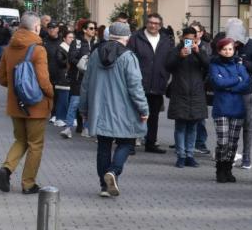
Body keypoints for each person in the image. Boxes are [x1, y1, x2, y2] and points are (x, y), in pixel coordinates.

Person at [80, 22, 149, 198]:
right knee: (126, 142)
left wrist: (84, 107)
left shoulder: (95, 54)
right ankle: (113, 171)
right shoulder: (128, 57)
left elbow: (86, 84)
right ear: (127, 37)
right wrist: (143, 109)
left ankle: (104, 186)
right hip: (124, 111)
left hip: (99, 109)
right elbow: (135, 86)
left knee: (103, 146)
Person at [0, 12, 54, 194]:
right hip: (35, 105)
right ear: (36, 27)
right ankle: (28, 183)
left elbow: (1, 78)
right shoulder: (38, 49)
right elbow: (43, 80)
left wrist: (16, 88)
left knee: (20, 139)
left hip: (15, 104)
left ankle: (6, 168)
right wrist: (52, 94)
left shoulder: (9, 47)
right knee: (35, 144)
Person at [219, 18, 252, 169]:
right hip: (228, 91)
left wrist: (244, 63)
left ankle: (246, 157)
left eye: (236, 43)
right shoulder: (223, 44)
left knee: (247, 126)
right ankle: (229, 155)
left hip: (246, 92)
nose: (234, 45)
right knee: (229, 126)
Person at [127, 13, 175, 153]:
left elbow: (169, 60)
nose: (153, 25)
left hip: (158, 83)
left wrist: (165, 76)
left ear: (160, 25)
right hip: (139, 83)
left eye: (156, 23)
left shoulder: (166, 40)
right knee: (135, 114)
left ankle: (150, 143)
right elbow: (129, 58)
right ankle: (129, 144)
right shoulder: (136, 37)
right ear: (146, 23)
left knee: (153, 116)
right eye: (151, 22)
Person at [165, 27, 209, 168]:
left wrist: (198, 53)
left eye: (192, 39)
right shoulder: (175, 50)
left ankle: (190, 155)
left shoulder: (200, 51)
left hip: (196, 94)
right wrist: (180, 56)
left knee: (193, 127)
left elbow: (208, 66)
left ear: (196, 39)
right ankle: (181, 155)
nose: (189, 41)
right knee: (180, 126)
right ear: (183, 38)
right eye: (187, 39)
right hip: (180, 93)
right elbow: (167, 66)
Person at [209, 37, 250, 183]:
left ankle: (228, 169)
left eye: (230, 49)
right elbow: (217, 82)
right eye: (224, 49)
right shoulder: (214, 65)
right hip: (221, 108)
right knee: (223, 141)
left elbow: (246, 82)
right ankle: (220, 169)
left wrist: (229, 86)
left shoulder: (239, 65)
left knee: (233, 142)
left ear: (234, 50)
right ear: (219, 50)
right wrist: (236, 80)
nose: (228, 52)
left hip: (237, 108)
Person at [191, 21, 213, 155]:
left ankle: (200, 142)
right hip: (186, 83)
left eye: (195, 31)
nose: (193, 34)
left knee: (200, 116)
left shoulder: (206, 47)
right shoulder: (185, 44)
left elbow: (208, 65)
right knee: (184, 114)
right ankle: (183, 141)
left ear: (201, 33)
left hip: (201, 85)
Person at [52, 30, 76, 132]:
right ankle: (59, 117)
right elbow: (60, 61)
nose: (72, 39)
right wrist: (70, 60)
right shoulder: (61, 48)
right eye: (70, 37)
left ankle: (64, 117)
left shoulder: (72, 48)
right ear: (64, 38)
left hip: (68, 77)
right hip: (62, 77)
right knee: (63, 98)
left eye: (73, 37)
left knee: (67, 98)